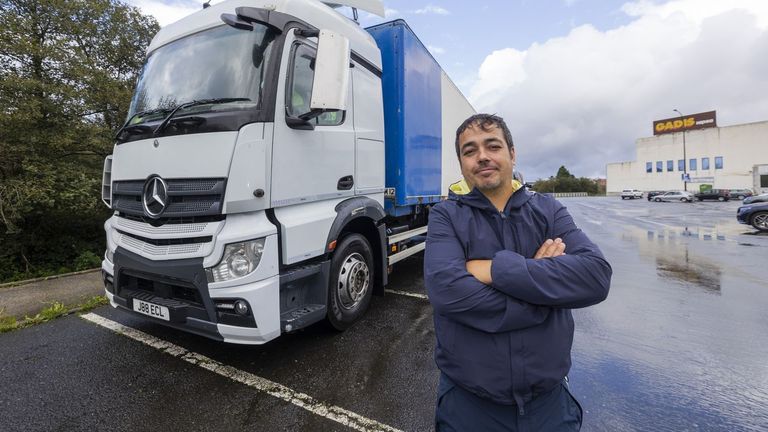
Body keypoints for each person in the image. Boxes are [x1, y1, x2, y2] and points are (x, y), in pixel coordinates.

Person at [424, 113, 612, 431]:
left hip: (549, 406)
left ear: (512, 153)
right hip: (470, 407)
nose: (482, 156)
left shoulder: (548, 210)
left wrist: (496, 268)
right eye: (469, 151)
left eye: (492, 146)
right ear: (461, 164)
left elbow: (595, 277)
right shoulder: (446, 216)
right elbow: (448, 292)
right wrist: (544, 293)